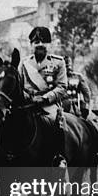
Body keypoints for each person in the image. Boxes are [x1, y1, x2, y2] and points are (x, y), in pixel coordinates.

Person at [19, 26, 68, 166]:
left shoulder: (58, 62)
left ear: (49, 44)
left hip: (49, 104)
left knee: (57, 122)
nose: (40, 44)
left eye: (44, 41)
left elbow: (62, 87)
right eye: (36, 42)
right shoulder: (24, 63)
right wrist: (29, 97)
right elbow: (19, 86)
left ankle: (58, 157)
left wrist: (45, 98)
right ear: (31, 45)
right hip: (28, 103)